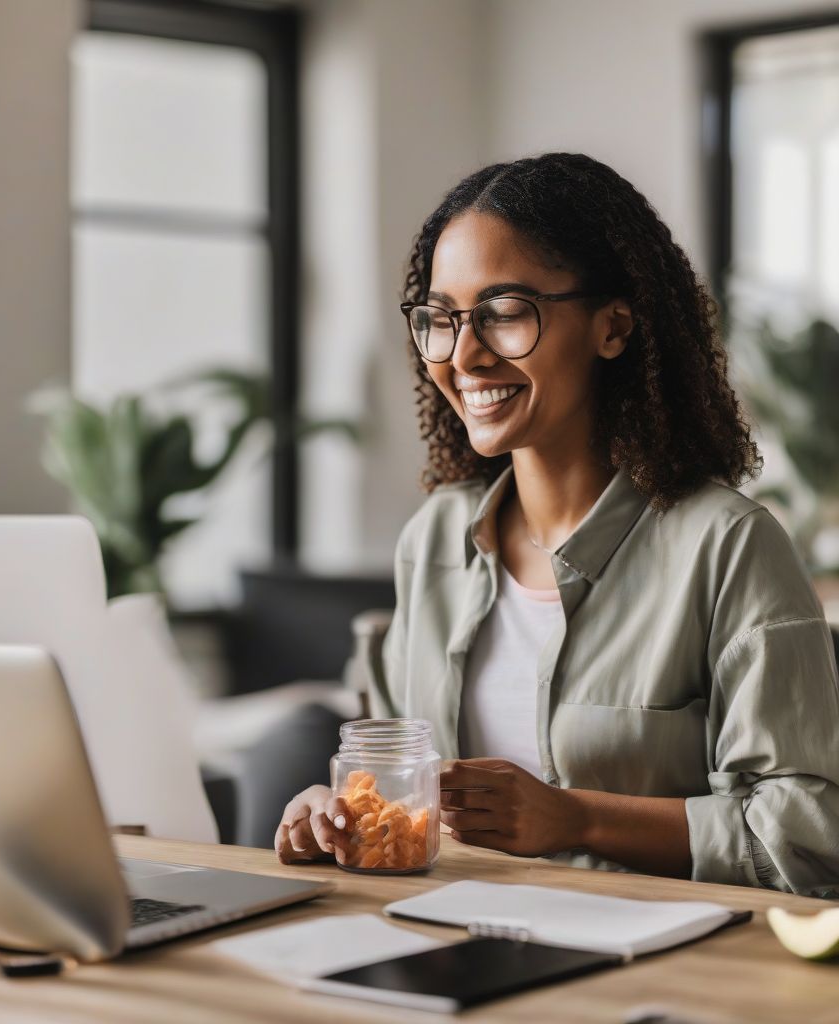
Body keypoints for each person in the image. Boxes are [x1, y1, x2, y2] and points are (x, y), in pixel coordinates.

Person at [275, 153, 839, 896]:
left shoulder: (727, 546)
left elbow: (804, 838)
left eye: (505, 314)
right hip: (445, 943)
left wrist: (575, 819)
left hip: (655, 969)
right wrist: (341, 812)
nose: (464, 355)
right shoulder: (436, 539)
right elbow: (392, 780)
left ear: (613, 327)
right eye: (441, 319)